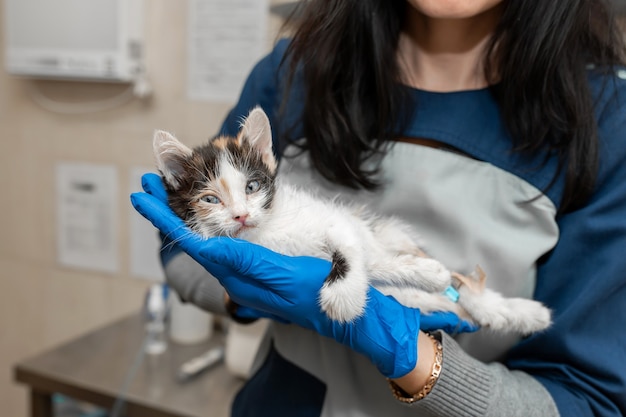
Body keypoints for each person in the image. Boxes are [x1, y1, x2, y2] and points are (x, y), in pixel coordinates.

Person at [132, 0, 626, 415]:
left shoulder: (605, 118)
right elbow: (180, 242)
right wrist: (241, 292)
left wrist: (413, 356)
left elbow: (587, 398)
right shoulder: (294, 73)